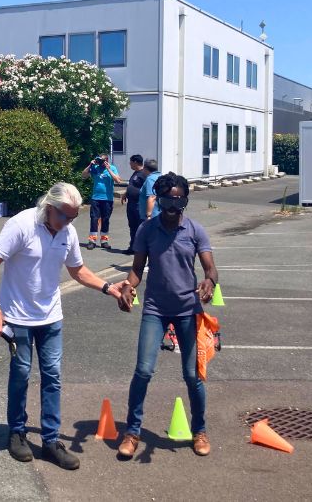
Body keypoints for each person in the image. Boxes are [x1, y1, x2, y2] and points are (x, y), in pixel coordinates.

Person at [0, 182, 128, 470]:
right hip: (18, 317)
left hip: (51, 318)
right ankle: (17, 433)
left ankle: (50, 441)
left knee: (53, 377)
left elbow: (77, 270)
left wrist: (109, 288)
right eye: (65, 216)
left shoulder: (68, 232)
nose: (68, 223)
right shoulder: (21, 224)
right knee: (21, 375)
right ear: (50, 208)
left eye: (74, 218)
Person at [116, 172, 219, 459]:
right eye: (167, 201)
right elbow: (137, 269)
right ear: (158, 201)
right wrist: (128, 286)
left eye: (180, 201)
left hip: (189, 310)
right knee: (144, 370)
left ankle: (199, 430)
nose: (174, 208)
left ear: (185, 200)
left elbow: (211, 269)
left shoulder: (195, 231)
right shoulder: (147, 230)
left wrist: (210, 283)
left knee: (192, 375)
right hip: (155, 310)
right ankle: (132, 432)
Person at [81, 154, 122, 250]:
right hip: (96, 198)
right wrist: (90, 165)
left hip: (107, 199)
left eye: (102, 161)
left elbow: (118, 181)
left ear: (107, 160)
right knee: (94, 219)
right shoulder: (95, 168)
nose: (100, 163)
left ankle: (104, 241)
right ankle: (92, 240)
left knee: (105, 219)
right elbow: (83, 175)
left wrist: (108, 169)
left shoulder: (112, 168)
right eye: (99, 160)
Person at [120, 154, 146, 255]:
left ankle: (140, 249)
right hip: (131, 204)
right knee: (132, 226)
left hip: (139, 205)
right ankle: (132, 247)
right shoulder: (135, 173)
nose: (129, 164)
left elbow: (147, 189)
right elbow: (132, 185)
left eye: (130, 162)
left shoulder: (144, 174)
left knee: (139, 227)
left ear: (135, 162)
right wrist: (126, 193)